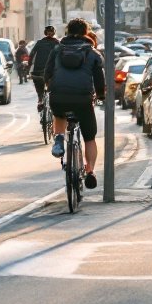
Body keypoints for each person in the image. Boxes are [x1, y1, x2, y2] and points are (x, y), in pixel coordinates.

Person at [43, 18, 105, 189]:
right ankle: (90, 170)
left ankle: (59, 138)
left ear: (67, 32)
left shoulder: (57, 50)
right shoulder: (92, 53)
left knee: (59, 113)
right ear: (86, 32)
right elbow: (99, 80)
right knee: (90, 137)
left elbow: (47, 73)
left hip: (59, 97)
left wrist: (51, 88)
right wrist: (100, 95)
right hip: (83, 100)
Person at [28, 25, 59, 108]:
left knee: (39, 86)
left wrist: (28, 65)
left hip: (39, 70)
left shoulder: (40, 42)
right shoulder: (57, 43)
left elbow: (31, 54)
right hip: (52, 70)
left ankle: (40, 99)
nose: (49, 33)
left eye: (50, 31)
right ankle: (43, 100)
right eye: (49, 31)